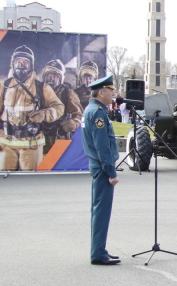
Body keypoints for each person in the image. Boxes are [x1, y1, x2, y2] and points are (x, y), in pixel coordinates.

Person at [0, 45, 65, 171]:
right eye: (18, 61)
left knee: (29, 181)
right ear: (13, 63)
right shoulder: (4, 86)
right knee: (5, 181)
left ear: (31, 65)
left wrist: (43, 114)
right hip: (6, 142)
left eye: (25, 62)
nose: (21, 65)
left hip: (31, 143)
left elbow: (59, 108)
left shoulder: (42, 87)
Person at [81, 74, 121, 265]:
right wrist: (111, 172)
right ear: (102, 91)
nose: (113, 94)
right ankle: (98, 253)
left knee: (99, 210)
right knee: (101, 211)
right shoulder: (97, 112)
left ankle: (100, 249)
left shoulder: (93, 109)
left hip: (98, 166)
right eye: (111, 90)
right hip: (103, 168)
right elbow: (102, 146)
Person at [40, 58, 83, 154]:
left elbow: (79, 115)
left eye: (54, 76)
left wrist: (74, 123)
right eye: (49, 76)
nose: (51, 79)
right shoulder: (37, 92)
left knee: (57, 166)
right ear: (44, 77)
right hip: (40, 138)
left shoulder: (68, 94)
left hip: (59, 138)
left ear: (61, 78)